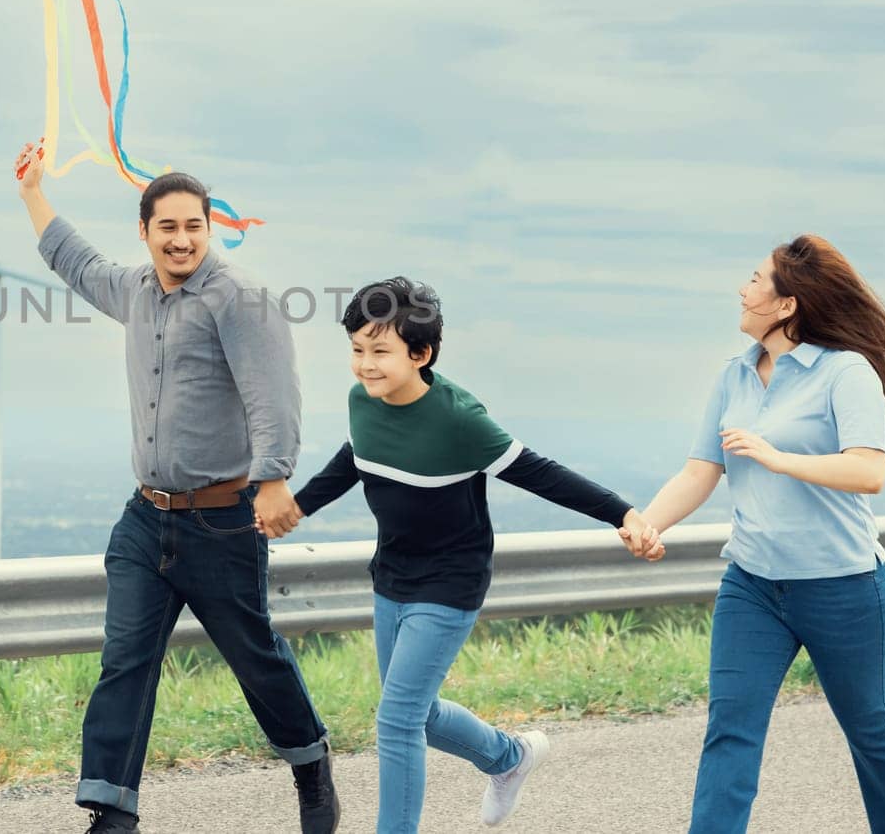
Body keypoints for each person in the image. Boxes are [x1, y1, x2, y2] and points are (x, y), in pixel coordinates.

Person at [15, 146, 339, 834]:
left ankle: (310, 761)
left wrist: (274, 476)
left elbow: (272, 394)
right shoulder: (134, 289)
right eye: (168, 226)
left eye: (194, 224)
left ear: (208, 225)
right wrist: (33, 192)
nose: (183, 238)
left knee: (256, 657)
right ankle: (111, 811)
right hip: (146, 519)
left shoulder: (238, 298)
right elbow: (74, 261)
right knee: (124, 660)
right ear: (146, 231)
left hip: (222, 521)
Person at [263, 277, 662, 833]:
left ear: (420, 354)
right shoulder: (364, 401)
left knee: (397, 720)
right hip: (391, 578)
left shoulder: (459, 419)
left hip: (450, 582)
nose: (365, 365)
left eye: (380, 351)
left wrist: (624, 514)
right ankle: (509, 757)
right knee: (418, 714)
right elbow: (355, 460)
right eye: (357, 349)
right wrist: (296, 507)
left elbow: (540, 474)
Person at [631, 235, 885, 833]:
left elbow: (868, 470)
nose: (743, 288)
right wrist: (648, 523)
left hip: (844, 589)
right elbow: (702, 469)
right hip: (753, 585)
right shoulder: (734, 375)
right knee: (730, 731)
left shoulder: (846, 372)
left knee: (873, 733)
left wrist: (779, 457)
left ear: (787, 305)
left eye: (755, 279)